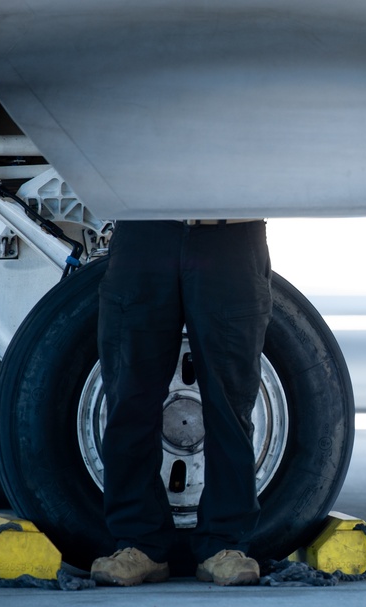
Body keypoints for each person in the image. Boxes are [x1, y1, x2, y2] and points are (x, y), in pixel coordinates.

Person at [89, 218, 272, 586]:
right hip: (145, 230)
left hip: (230, 233)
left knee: (230, 404)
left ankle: (223, 544)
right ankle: (140, 545)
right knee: (129, 399)